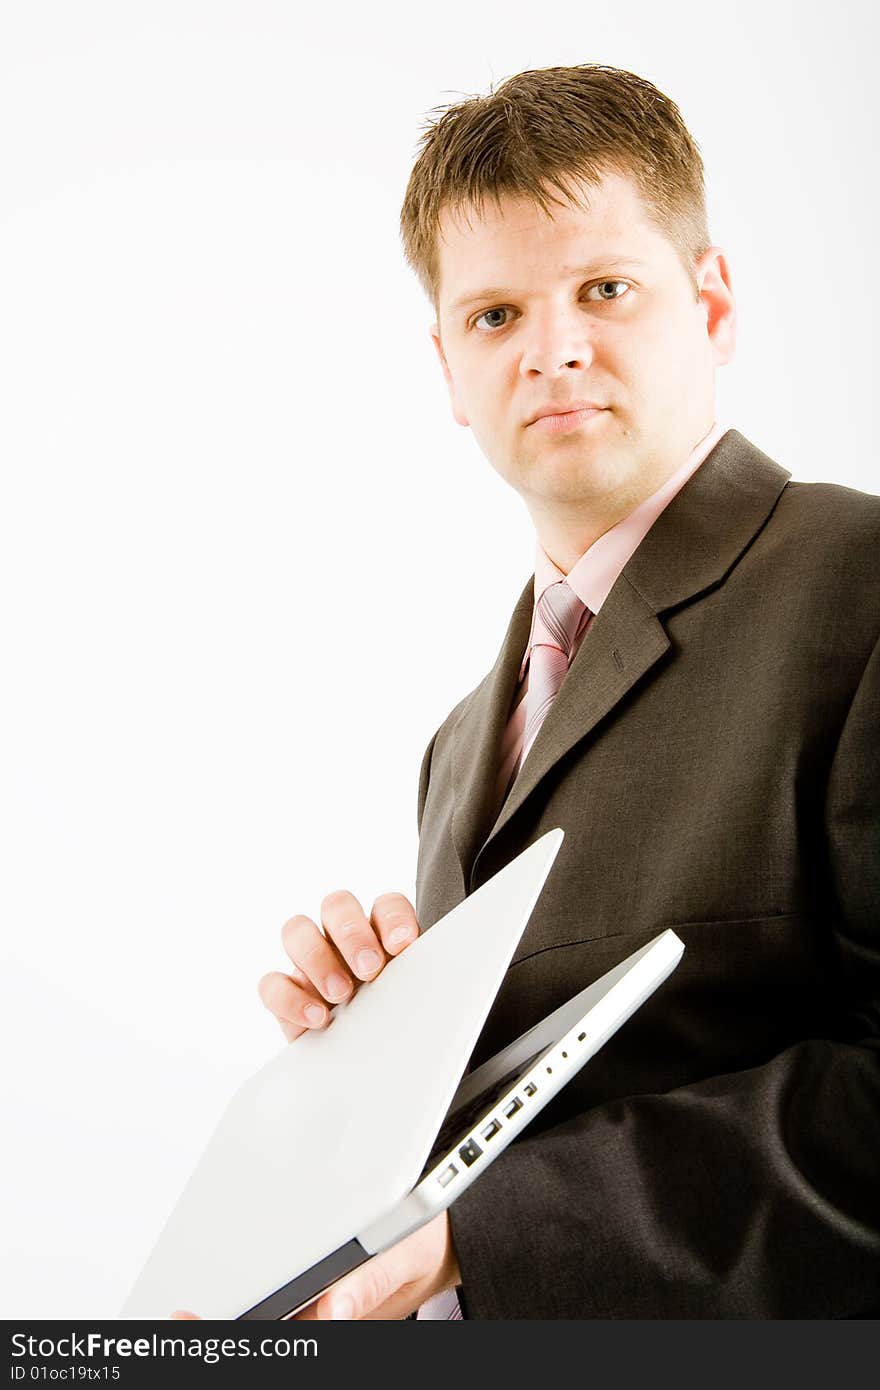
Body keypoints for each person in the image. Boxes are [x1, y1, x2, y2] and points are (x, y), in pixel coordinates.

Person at [245, 64, 879, 1320]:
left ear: (712, 305)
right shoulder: (454, 749)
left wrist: (473, 1235)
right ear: (446, 368)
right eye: (493, 316)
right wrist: (370, 1069)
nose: (554, 350)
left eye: (603, 288)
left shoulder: (857, 589)